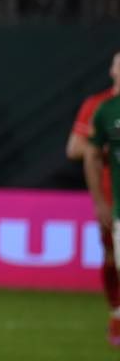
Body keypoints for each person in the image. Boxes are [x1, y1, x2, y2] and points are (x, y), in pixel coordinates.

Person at [69, 51, 120, 344]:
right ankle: (116, 313)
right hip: (110, 190)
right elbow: (75, 148)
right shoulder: (98, 106)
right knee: (113, 253)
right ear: (112, 71)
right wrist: (105, 147)